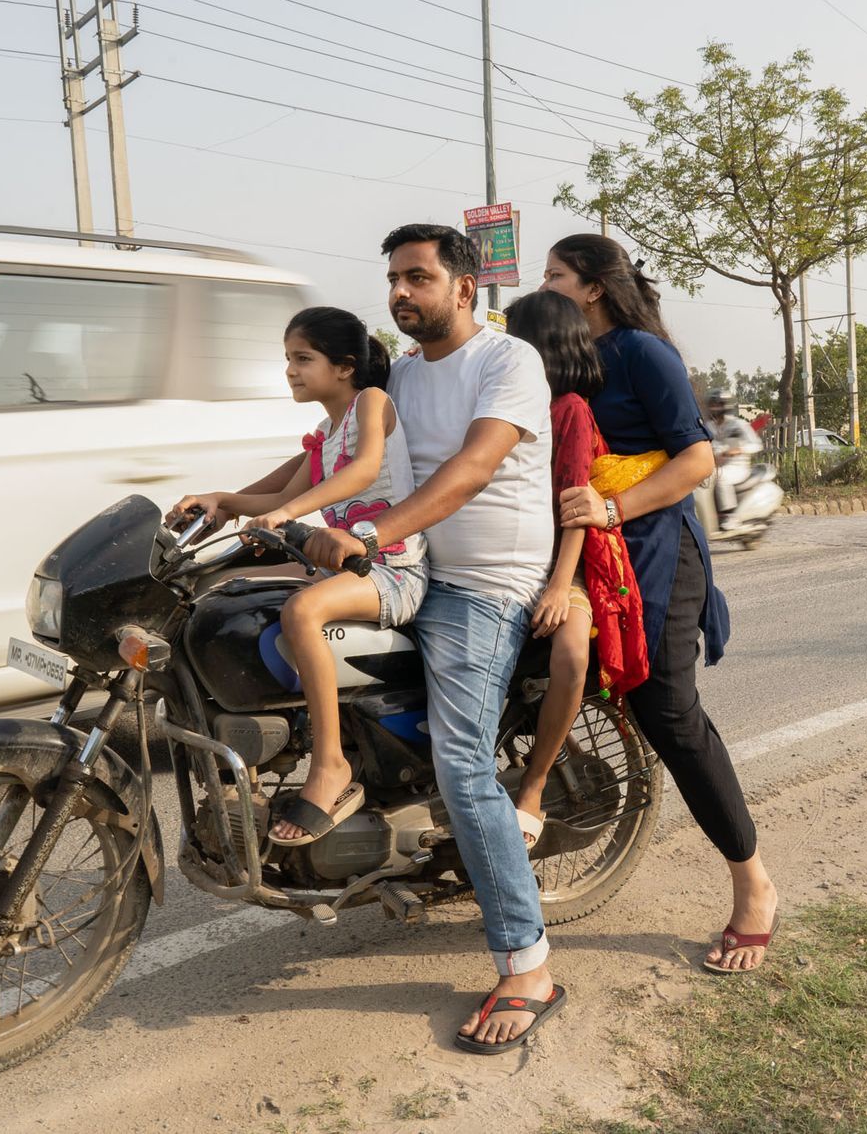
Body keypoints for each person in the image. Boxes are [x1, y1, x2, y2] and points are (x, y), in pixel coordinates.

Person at [302, 224, 565, 1054]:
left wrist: (374, 534)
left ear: (466, 287)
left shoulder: (506, 361)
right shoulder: (402, 376)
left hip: (480, 587)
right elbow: (343, 453)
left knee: (460, 762)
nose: (400, 293)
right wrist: (250, 507)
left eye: (418, 277)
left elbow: (473, 469)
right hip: (411, 569)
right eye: (393, 279)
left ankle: (528, 963)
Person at [541, 233, 781, 975]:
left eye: (554, 274)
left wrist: (612, 509)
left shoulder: (644, 353)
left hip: (653, 554)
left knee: (670, 713)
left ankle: (754, 884)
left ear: (592, 287)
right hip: (587, 555)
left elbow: (697, 456)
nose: (543, 284)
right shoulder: (566, 353)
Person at [168, 307, 428, 846]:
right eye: (288, 358)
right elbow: (277, 495)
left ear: (344, 366)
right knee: (239, 599)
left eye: (303, 358)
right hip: (346, 563)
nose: (291, 369)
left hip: (392, 566)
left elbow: (361, 469)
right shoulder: (326, 431)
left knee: (301, 610)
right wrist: (220, 500)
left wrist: (290, 515)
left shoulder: (371, 405)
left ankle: (330, 765)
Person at [502, 290, 647, 847]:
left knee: (570, 652)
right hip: (507, 561)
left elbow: (574, 506)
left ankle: (535, 786)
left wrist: (562, 587)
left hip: (565, 566)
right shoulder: (507, 407)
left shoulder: (569, 411)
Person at [706, 389, 763, 529]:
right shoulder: (709, 426)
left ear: (726, 405)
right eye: (712, 404)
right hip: (714, 465)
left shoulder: (739, 425)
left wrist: (739, 450)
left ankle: (730, 516)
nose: (714, 407)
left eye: (718, 404)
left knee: (720, 476)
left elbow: (757, 445)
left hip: (738, 467)